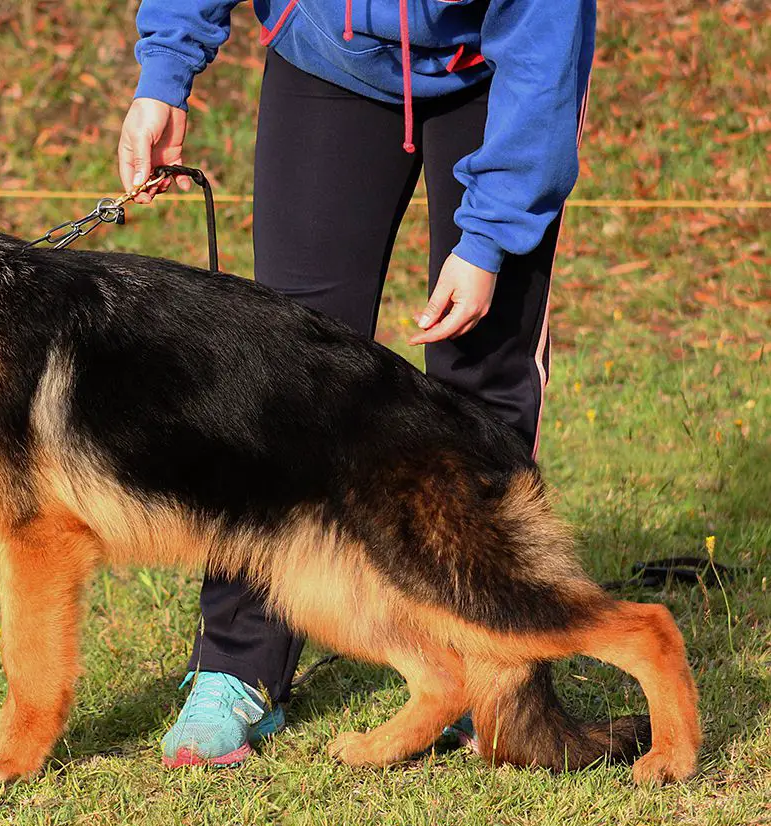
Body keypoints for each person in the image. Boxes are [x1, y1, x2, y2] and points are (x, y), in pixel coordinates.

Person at [117, 0, 595, 768]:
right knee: (277, 384)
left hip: (494, 74)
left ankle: (496, 664)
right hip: (325, 58)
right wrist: (164, 76)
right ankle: (237, 663)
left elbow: (543, 51)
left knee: (480, 368)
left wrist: (490, 237)